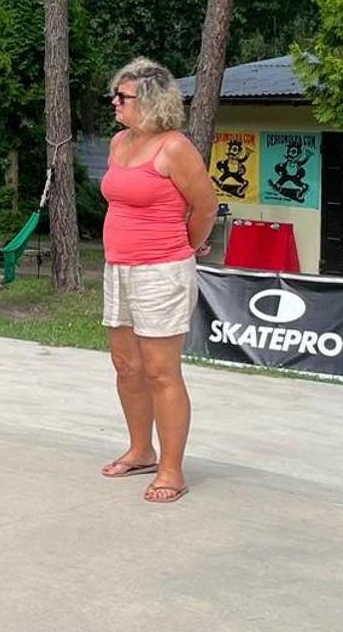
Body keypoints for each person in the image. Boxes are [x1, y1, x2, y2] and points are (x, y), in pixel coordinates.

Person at [97, 58, 218, 505]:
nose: (114, 102)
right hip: (118, 269)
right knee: (126, 366)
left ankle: (172, 469)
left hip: (162, 272)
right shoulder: (118, 143)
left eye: (122, 97)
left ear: (148, 102)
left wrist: (184, 247)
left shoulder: (175, 148)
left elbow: (205, 206)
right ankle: (141, 450)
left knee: (161, 371)